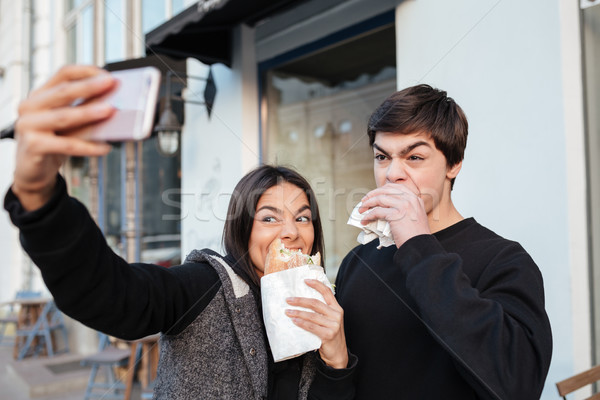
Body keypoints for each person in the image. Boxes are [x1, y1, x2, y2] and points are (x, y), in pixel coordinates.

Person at [3, 65, 356, 399]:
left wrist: (336, 360)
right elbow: (111, 293)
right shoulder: (201, 287)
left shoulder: (320, 308)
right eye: (268, 218)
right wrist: (40, 198)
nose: (291, 232)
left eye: (303, 217)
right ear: (242, 229)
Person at [335, 84, 552, 399]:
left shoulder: (504, 261)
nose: (393, 173)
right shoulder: (358, 261)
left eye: (414, 157)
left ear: (454, 164)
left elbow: (517, 384)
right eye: (382, 156)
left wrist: (418, 244)